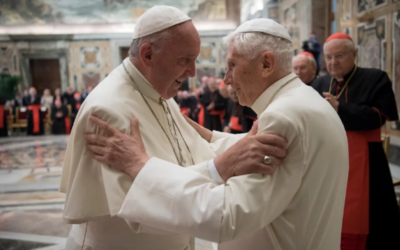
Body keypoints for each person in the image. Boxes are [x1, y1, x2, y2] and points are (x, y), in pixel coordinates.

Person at [85, 18, 349, 250]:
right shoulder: (305, 101)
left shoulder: (282, 117)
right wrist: (211, 137)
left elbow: (226, 216)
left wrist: (140, 166)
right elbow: (283, 154)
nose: (226, 79)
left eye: (232, 65)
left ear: (266, 64)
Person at [60, 6, 286, 250]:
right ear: (148, 55)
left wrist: (244, 144)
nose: (192, 72)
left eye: (194, 60)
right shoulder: (108, 110)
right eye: (184, 61)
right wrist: (223, 166)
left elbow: (197, 151)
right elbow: (142, 210)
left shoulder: (160, 93)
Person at [311, 33, 400, 250]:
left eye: (339, 56)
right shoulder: (320, 82)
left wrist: (341, 108)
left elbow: (379, 117)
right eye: (329, 57)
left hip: (366, 159)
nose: (333, 62)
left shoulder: (375, 78)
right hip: (327, 159)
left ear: (354, 54)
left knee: (369, 215)